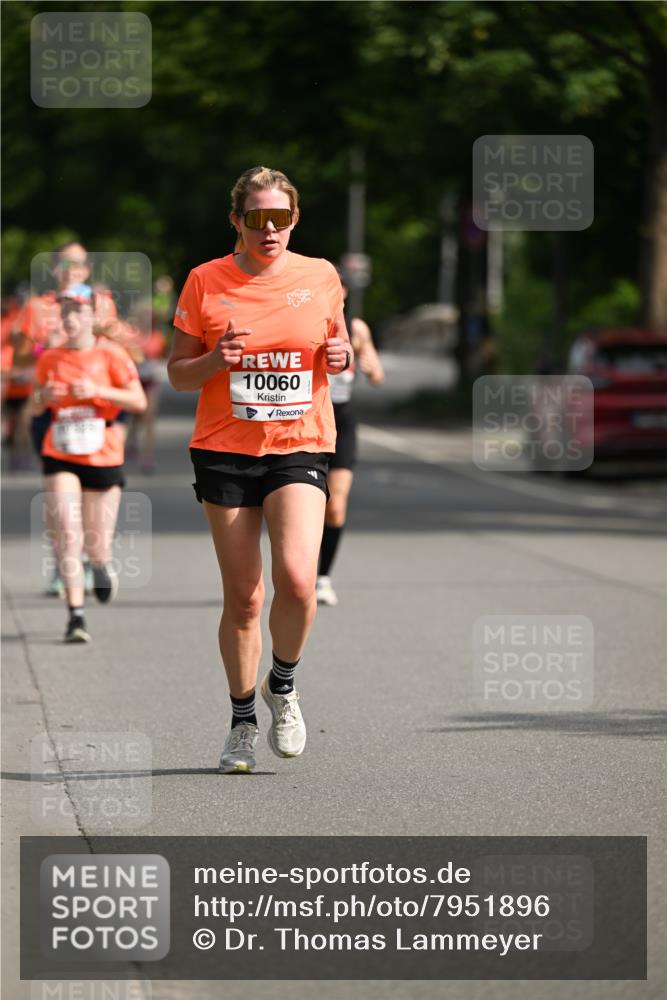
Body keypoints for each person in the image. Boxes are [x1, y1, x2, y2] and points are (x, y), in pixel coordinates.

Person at [168, 165, 351, 774]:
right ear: (237, 221)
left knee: (299, 581)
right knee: (245, 599)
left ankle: (285, 683)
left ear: (295, 219)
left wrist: (342, 354)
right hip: (224, 448)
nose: (269, 229)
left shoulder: (321, 276)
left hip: (300, 441)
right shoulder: (206, 281)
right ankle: (243, 719)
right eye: (257, 218)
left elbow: (338, 346)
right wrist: (215, 360)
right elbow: (177, 371)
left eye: (280, 218)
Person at [31, 287, 146, 643]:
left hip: (102, 453)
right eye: (65, 311)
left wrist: (97, 391)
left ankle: (99, 564)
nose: (70, 318)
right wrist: (42, 398)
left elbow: (138, 401)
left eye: (78, 311)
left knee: (96, 544)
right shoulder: (49, 357)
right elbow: (35, 407)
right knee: (67, 530)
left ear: (93, 316)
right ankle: (75, 616)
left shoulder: (111, 354)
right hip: (60, 451)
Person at [317, 278, 384, 606]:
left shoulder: (356, 329)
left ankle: (322, 577)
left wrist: (371, 370)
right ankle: (297, 571)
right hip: (308, 420)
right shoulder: (306, 320)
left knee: (336, 504)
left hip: (341, 419)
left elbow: (377, 374)